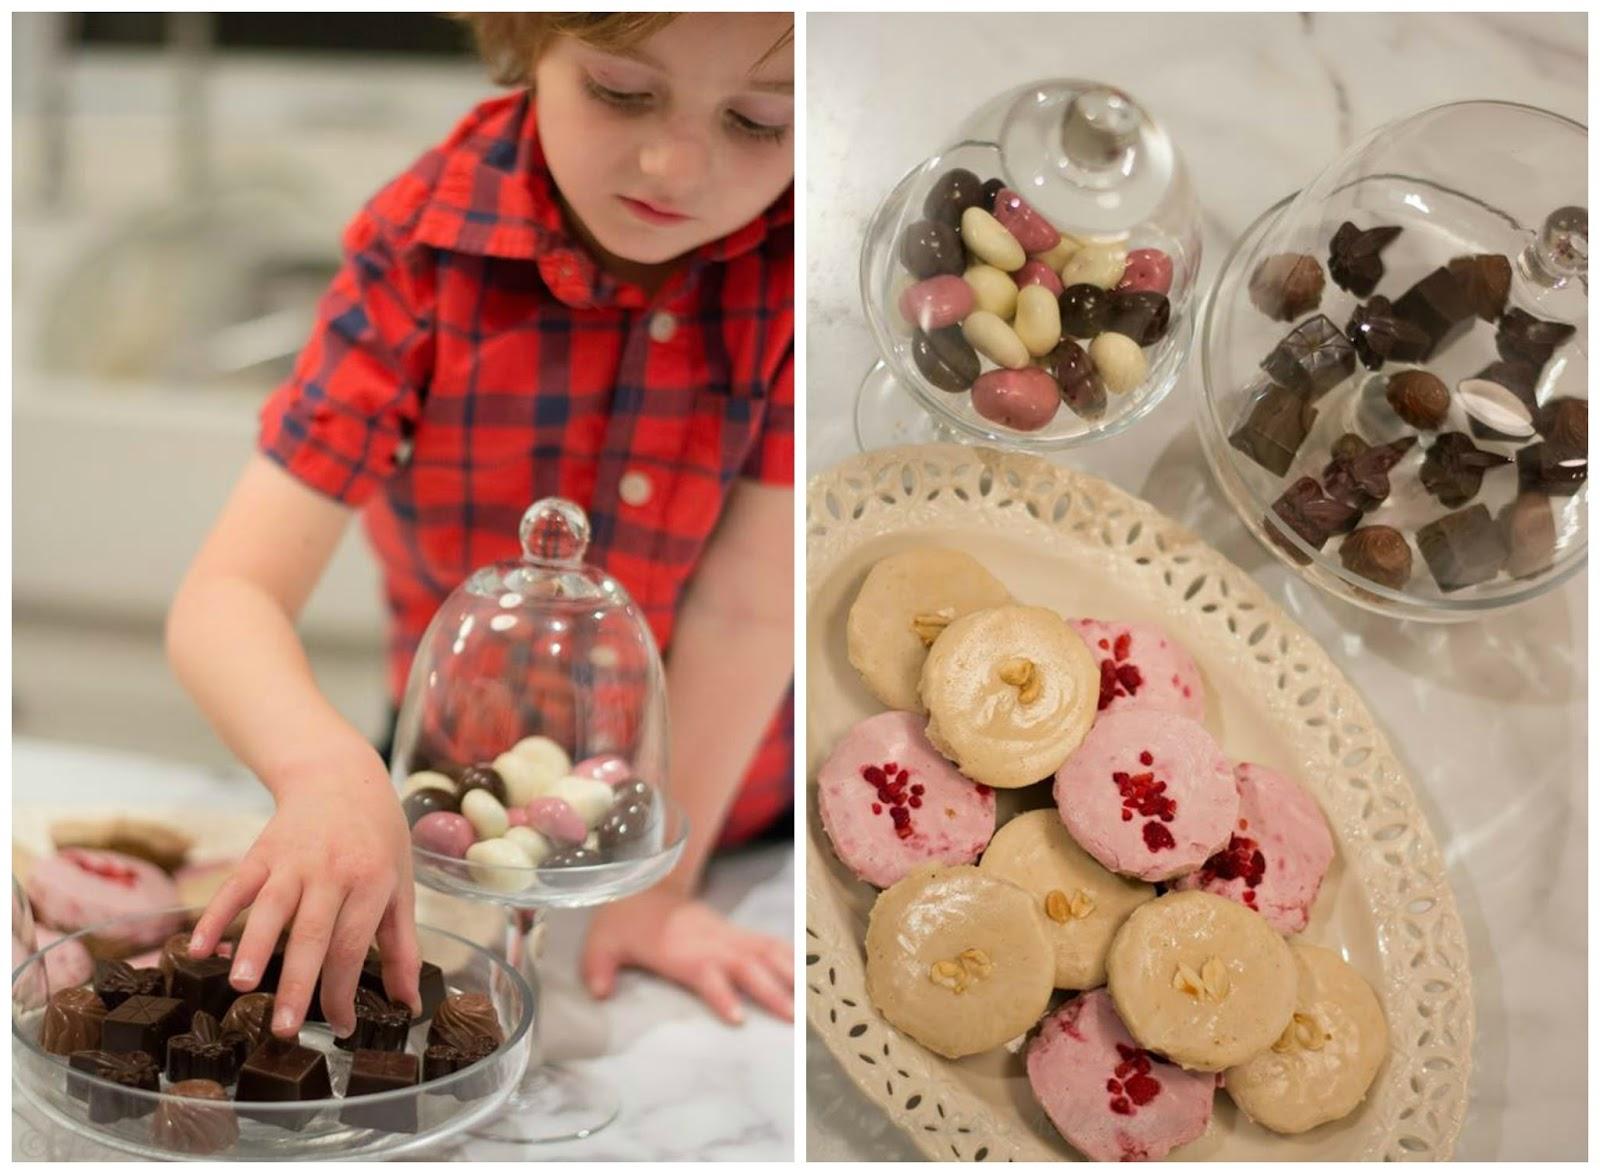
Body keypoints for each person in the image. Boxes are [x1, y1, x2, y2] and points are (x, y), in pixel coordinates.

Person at [166, 12, 795, 1041]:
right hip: (436, 794)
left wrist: (651, 890)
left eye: (760, 122)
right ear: (527, 39)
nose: (674, 161)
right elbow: (226, 598)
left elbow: (746, 612)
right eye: (621, 93)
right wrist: (324, 771)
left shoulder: (794, 269)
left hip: (720, 802)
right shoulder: (420, 252)